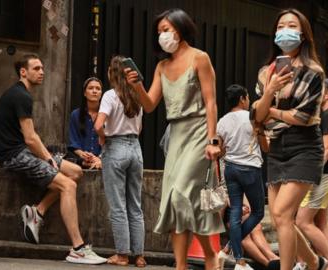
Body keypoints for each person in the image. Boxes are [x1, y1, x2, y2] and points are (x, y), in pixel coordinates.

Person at [125, 8, 223, 270]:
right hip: (176, 134)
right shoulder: (162, 66)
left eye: (166, 30)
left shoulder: (199, 58)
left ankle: (210, 255)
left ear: (180, 29)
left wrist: (213, 141)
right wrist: (136, 85)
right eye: (159, 32)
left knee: (180, 194)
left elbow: (211, 102)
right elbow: (149, 105)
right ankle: (182, 265)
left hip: (200, 131)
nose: (162, 36)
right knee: (172, 200)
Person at [0, 54, 106, 264]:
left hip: (22, 151)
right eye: (36, 68)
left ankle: (38, 211)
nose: (42, 72)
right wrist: (49, 160)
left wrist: (49, 159)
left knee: (76, 171)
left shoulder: (22, 94)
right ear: (23, 72)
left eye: (43, 68)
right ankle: (78, 248)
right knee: (68, 185)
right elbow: (30, 137)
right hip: (13, 156)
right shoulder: (20, 95)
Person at [251, 8, 327, 270]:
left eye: (292, 25)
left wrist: (268, 109)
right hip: (276, 147)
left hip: (305, 146)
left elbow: (303, 116)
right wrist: (270, 90)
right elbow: (257, 118)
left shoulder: (313, 72)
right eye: (280, 25)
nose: (285, 30)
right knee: (280, 218)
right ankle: (314, 262)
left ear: (303, 34)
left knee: (283, 213)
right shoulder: (266, 72)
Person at [94, 56, 146, 267]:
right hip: (136, 149)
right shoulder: (136, 95)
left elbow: (98, 124)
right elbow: (140, 128)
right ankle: (139, 256)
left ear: (112, 73)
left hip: (115, 148)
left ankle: (122, 255)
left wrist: (103, 136)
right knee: (135, 204)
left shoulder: (110, 95)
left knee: (118, 205)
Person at [296, 78, 328, 270]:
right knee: (321, 221)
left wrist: (313, 170)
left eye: (320, 90)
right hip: (327, 173)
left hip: (323, 174)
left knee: (302, 221)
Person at [216, 84, 265, 270]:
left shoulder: (222, 121)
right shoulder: (253, 117)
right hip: (250, 169)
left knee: (236, 212)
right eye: (247, 97)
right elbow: (265, 146)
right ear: (243, 99)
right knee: (258, 212)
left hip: (231, 168)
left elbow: (217, 147)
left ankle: (237, 258)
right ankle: (233, 253)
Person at [67, 77, 103, 169]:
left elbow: (111, 142)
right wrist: (83, 154)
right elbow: (73, 141)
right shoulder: (75, 115)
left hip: (103, 159)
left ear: (101, 93)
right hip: (81, 159)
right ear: (84, 93)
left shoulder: (107, 115)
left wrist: (99, 158)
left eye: (98, 89)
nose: (94, 91)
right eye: (91, 88)